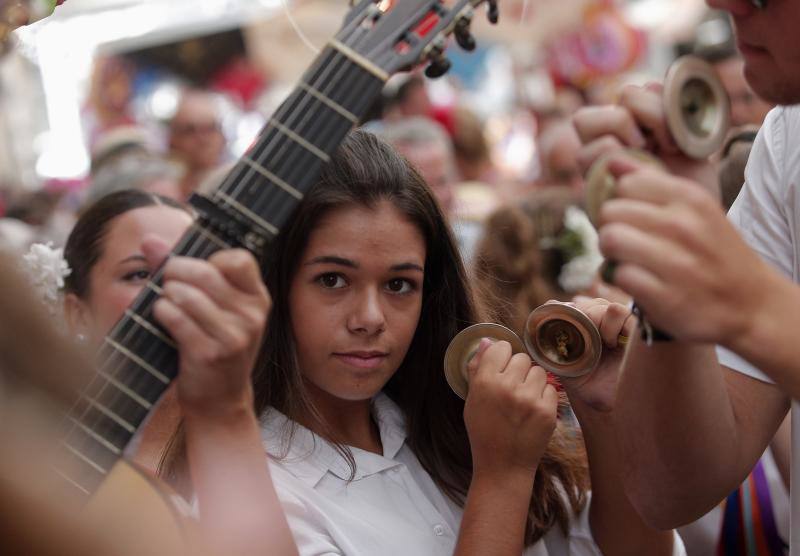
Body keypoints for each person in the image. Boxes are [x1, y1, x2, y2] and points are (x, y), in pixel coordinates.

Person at [228, 130, 678, 554]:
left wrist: (603, 411)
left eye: (400, 285)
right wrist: (501, 476)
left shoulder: (455, 423)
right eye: (332, 280)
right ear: (271, 284)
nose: (370, 318)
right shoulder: (250, 489)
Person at [571, 0, 800, 553]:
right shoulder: (787, 136)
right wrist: (668, 284)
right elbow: (669, 491)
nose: (724, 4)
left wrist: (744, 302)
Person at [56, 190, 297, 556]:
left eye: (196, 269)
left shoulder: (275, 443)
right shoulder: (38, 453)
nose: (174, 290)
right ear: (77, 313)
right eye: (139, 274)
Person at [168, 90, 227, 199]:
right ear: (173, 140)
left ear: (223, 137)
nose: (203, 139)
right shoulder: (162, 189)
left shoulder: (234, 184)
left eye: (210, 128)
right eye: (190, 130)